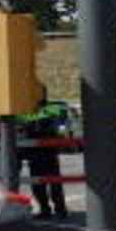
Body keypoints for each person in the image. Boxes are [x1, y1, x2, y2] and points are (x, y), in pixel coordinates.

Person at [17, 89, 71, 219]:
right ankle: (51, 210)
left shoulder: (52, 109)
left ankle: (56, 210)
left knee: (50, 183)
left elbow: (62, 126)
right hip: (39, 151)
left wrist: (62, 135)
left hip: (45, 151)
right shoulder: (26, 111)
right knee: (43, 183)